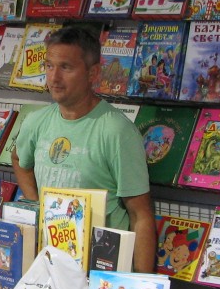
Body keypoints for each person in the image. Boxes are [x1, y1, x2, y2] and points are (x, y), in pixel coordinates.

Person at [12, 24, 155, 273]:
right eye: (49, 66)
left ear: (93, 73)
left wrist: (141, 283)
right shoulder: (36, 121)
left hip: (102, 272)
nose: (54, 78)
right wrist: (37, 206)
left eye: (66, 67)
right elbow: (18, 159)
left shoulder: (117, 131)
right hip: (52, 265)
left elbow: (140, 215)